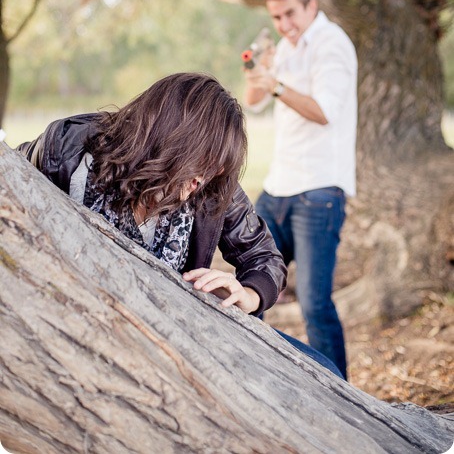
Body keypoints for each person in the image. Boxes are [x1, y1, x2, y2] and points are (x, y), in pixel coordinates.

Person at [17, 72, 343, 378]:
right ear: (168, 139)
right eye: (201, 162)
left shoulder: (212, 188)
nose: (202, 180)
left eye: (215, 169)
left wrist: (248, 295)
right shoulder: (70, 148)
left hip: (170, 337)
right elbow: (12, 194)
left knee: (325, 370)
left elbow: (264, 258)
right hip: (67, 324)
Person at [244, 0, 357, 379]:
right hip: (278, 187)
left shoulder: (332, 45)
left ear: (310, 5)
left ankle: (341, 393)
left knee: (313, 302)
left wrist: (276, 84)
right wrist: (262, 69)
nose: (284, 23)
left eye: (289, 12)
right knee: (248, 286)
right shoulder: (286, 48)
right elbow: (253, 103)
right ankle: (253, 374)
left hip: (319, 190)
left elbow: (324, 110)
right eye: (276, 16)